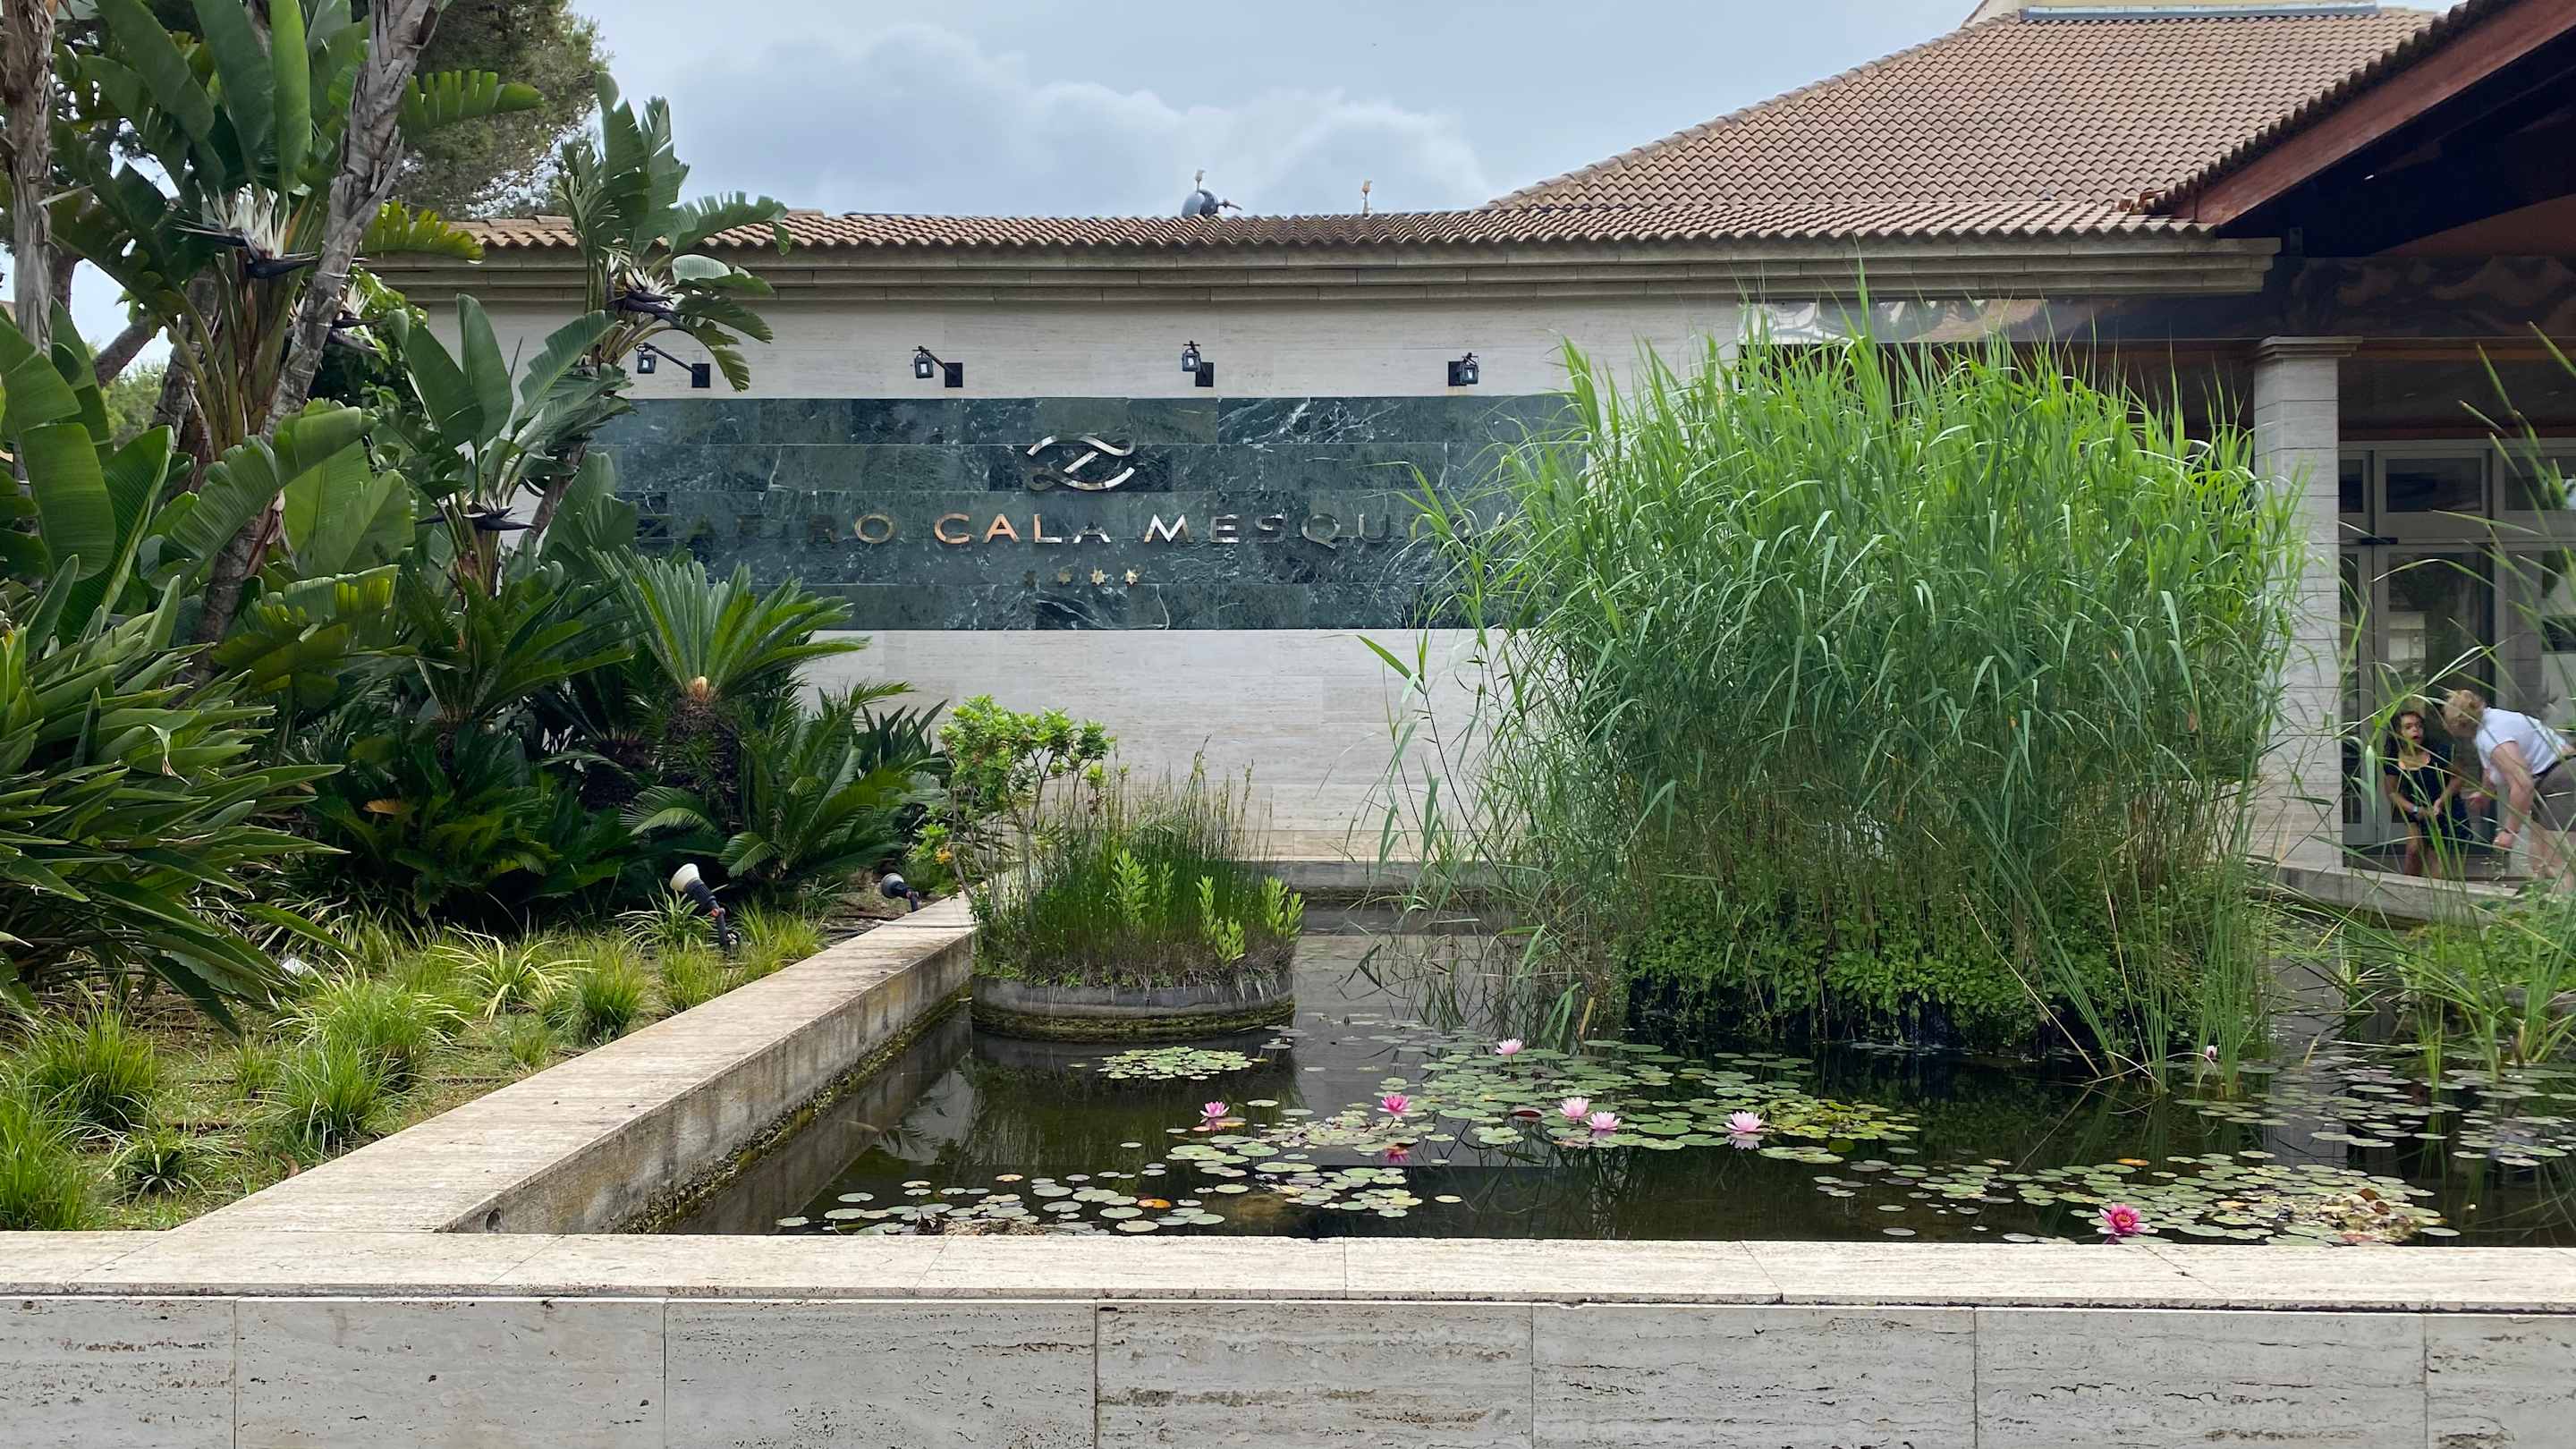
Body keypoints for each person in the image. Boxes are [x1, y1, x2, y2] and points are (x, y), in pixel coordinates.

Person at [2438, 688, 2576, 886]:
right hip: (2547, 781)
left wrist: (2509, 832)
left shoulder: (2492, 735)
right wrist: (2485, 792)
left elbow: (2523, 784)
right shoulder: (2490, 721)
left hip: (2562, 780)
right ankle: (2540, 903)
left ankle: (2564, 903)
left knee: (2560, 863)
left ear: (2456, 725)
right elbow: (2492, 767)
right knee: (2538, 860)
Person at [2380, 708, 2469, 878]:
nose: (2416, 730)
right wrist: (2415, 810)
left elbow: (2459, 777)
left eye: (2419, 726)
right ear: (2398, 732)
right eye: (2408, 727)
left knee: (2438, 861)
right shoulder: (2393, 759)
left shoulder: (2438, 751)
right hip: (2417, 810)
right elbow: (2392, 792)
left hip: (2445, 809)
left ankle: (2439, 890)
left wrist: (2441, 801)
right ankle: (2409, 890)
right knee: (2413, 851)